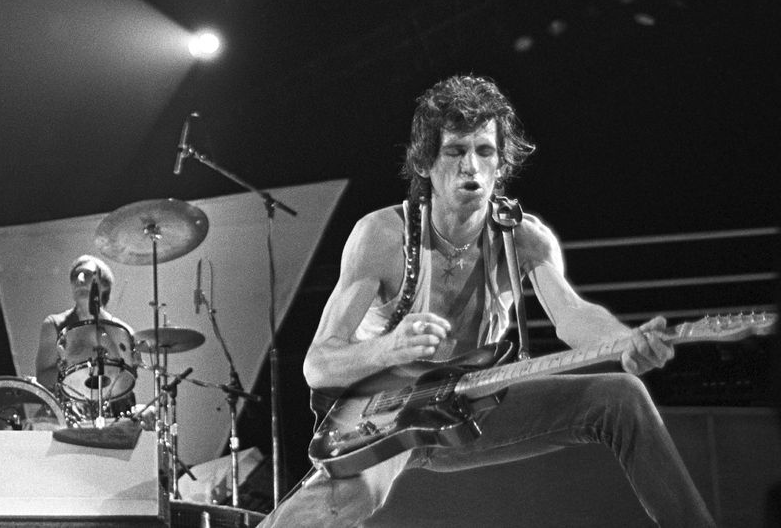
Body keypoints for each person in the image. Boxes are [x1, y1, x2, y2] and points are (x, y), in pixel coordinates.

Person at [260, 75, 714, 527]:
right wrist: (389, 348)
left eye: (485, 151)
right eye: (456, 151)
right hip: (387, 420)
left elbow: (572, 314)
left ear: (501, 163)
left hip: (475, 410)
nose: (472, 168)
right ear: (425, 162)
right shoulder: (382, 235)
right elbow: (319, 365)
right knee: (330, 505)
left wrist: (626, 341)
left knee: (622, 396)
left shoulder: (524, 237)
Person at [35, 254, 140, 423]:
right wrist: (75, 374)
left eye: (88, 274)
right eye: (75, 276)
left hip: (114, 414)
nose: (80, 279)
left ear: (104, 285)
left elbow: (128, 379)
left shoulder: (124, 331)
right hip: (68, 412)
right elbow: (43, 376)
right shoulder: (54, 324)